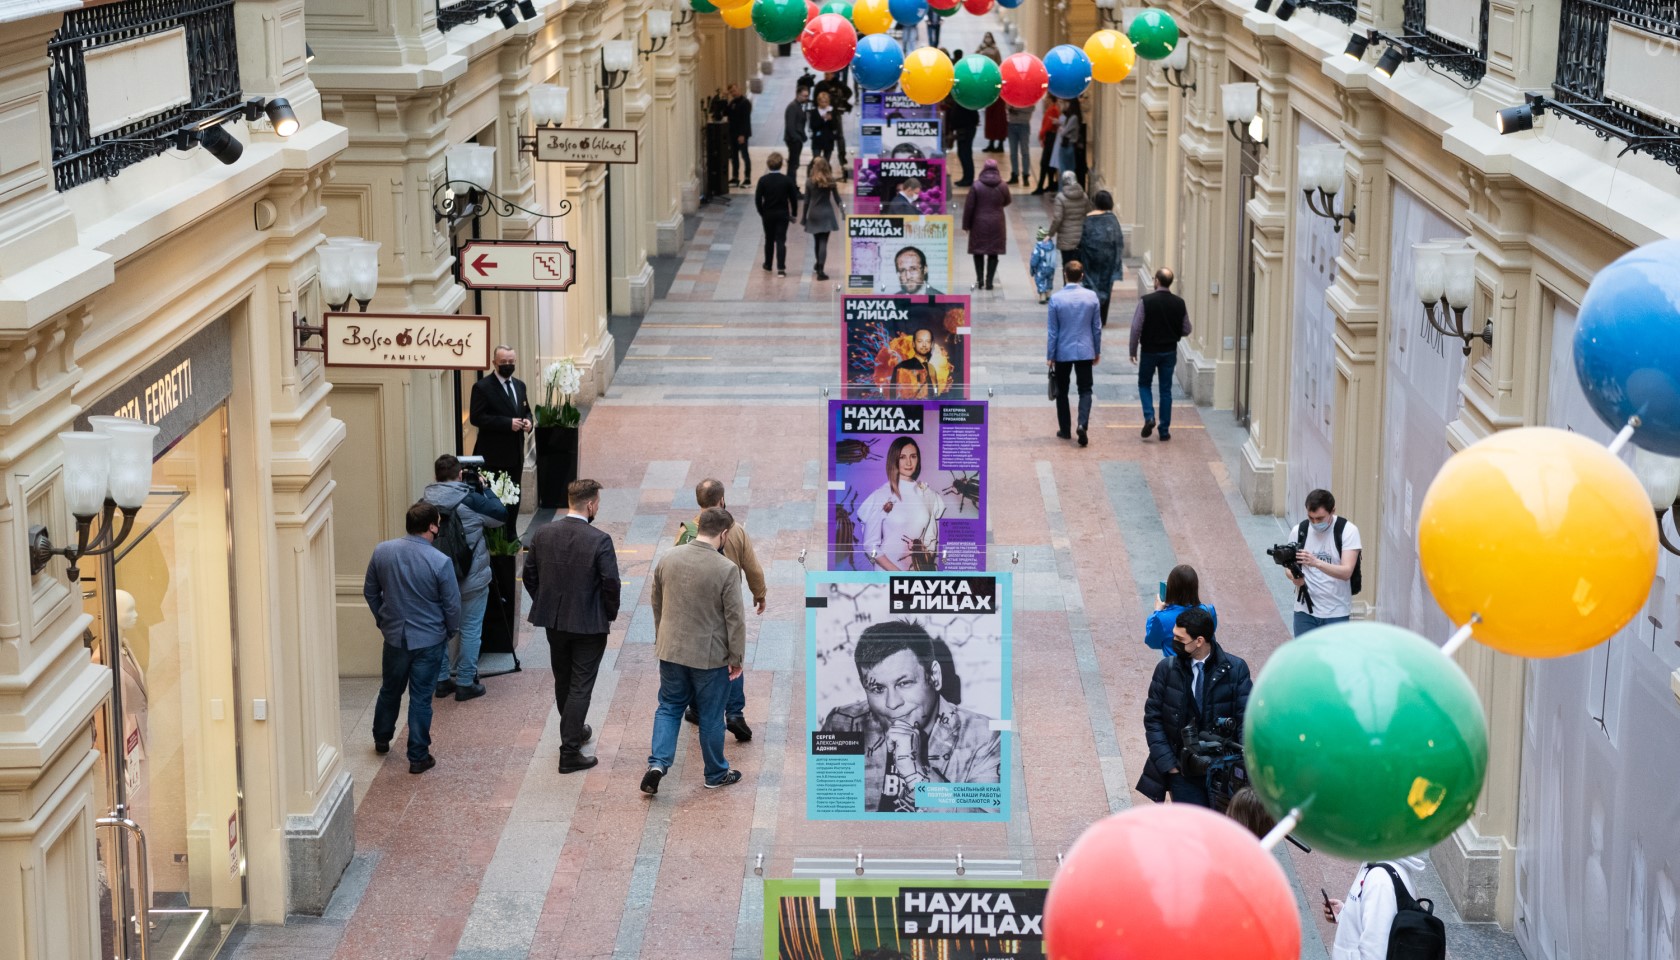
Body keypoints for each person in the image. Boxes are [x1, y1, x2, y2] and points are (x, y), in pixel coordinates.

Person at [820, 621, 1001, 812]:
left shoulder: (986, 737)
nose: (892, 703)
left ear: (935, 677)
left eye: (904, 683)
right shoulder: (842, 724)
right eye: (877, 688)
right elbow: (829, 814)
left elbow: (987, 829)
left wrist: (917, 775)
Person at [642, 506, 747, 795]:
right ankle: (715, 773)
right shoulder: (726, 569)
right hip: (709, 657)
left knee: (669, 706)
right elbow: (734, 619)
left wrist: (661, 637)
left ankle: (657, 764)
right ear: (723, 534)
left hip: (671, 651)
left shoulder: (668, 557)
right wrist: (736, 658)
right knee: (712, 716)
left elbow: (656, 602)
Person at [523, 479, 621, 773]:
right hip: (589, 625)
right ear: (590, 505)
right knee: (581, 685)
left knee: (563, 680)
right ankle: (569, 751)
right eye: (598, 504)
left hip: (555, 623)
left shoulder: (543, 533)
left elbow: (530, 575)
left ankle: (574, 730)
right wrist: (608, 613)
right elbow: (611, 583)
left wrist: (546, 602)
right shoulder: (599, 540)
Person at [365, 502, 462, 775]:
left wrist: (382, 619)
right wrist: (448, 631)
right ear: (432, 526)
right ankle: (418, 756)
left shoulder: (382, 551)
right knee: (421, 698)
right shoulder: (440, 562)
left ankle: (382, 737)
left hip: (395, 638)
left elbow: (370, 591)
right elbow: (452, 606)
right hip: (429, 641)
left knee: (390, 690)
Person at [1135, 607, 1253, 807]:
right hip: (1182, 773)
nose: (1174, 643)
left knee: (1220, 832)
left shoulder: (1235, 669)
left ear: (1199, 641)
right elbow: (1153, 718)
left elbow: (1247, 721)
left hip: (1222, 772)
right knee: (1191, 832)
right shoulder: (1167, 669)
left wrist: (1244, 766)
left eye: (1180, 639)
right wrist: (1169, 764)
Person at [678, 478, 765, 742]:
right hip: (727, 605)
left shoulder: (686, 531)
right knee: (732, 656)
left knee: (691, 658)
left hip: (694, 609)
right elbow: (752, 567)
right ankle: (735, 713)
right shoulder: (735, 530)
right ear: (722, 499)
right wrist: (759, 594)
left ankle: (696, 708)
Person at [422, 454, 508, 701]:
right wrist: (486, 490)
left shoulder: (424, 502)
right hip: (471, 578)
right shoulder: (469, 498)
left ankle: (440, 681)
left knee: (438, 630)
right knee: (470, 628)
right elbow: (499, 516)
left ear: (435, 477)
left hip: (434, 580)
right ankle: (465, 682)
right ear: (460, 475)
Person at [857, 436, 945, 571]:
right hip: (887, 575)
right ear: (894, 460)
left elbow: (931, 541)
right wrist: (898, 574)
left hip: (919, 575)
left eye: (913, 456)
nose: (909, 462)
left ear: (918, 459)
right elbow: (870, 546)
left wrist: (923, 572)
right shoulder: (881, 495)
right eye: (902, 457)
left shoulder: (929, 495)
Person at [1287, 488, 1363, 636]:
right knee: (1305, 658)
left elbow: (1346, 571)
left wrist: (1316, 562)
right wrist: (1294, 577)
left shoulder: (1348, 531)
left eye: (1320, 518)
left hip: (1336, 612)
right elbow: (1288, 567)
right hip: (1304, 611)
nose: (1315, 523)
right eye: (1311, 518)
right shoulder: (1299, 531)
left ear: (1332, 511)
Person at [1128, 267, 1191, 442]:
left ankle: (1149, 416)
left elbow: (1136, 328)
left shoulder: (1146, 301)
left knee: (1144, 384)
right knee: (1166, 390)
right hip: (1169, 351)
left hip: (1149, 350)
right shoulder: (1179, 303)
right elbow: (1187, 329)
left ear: (1156, 281)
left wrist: (1132, 350)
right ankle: (1164, 430)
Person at [469, 345, 531, 521]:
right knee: (495, 498)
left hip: (515, 454)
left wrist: (529, 423)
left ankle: (511, 534)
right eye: (503, 362)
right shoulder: (482, 387)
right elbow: (477, 417)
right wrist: (507, 423)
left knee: (514, 495)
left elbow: (526, 410)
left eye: (511, 362)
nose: (508, 365)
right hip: (493, 456)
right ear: (494, 363)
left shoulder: (520, 386)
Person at [1326, 857, 1431, 959]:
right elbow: (1382, 921)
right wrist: (1346, 913)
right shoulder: (1379, 867)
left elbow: (1375, 953)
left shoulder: (1380, 880)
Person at [1046, 260, 1102, 447]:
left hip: (1063, 351)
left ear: (1065, 275)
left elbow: (1053, 331)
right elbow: (1096, 327)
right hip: (1086, 350)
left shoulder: (1056, 299)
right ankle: (1082, 424)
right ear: (1082, 276)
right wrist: (1097, 349)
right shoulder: (1091, 297)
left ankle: (1065, 429)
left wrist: (1050, 354)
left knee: (1062, 391)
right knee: (1085, 389)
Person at [1145, 564, 1218, 659]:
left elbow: (1152, 642)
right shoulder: (1209, 611)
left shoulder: (1161, 618)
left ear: (1170, 588)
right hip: (1204, 666)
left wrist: (1157, 611)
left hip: (1176, 669)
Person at [1077, 189, 1125, 327]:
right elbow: (1118, 241)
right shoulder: (1112, 219)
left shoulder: (1088, 219)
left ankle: (1091, 316)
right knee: (1106, 287)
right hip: (1108, 261)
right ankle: (1102, 318)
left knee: (1090, 287)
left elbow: (1083, 240)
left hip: (1091, 259)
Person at [961, 159, 1011, 291]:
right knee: (993, 253)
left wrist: (966, 225)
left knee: (978, 251)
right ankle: (989, 282)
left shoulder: (976, 185)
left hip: (979, 222)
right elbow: (1007, 201)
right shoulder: (1003, 185)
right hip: (997, 222)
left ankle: (980, 280)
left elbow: (969, 207)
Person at [755, 152, 800, 277]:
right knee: (781, 240)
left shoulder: (763, 180)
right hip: (782, 214)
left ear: (768, 165)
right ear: (781, 165)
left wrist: (761, 212)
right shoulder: (787, 180)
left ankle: (768, 265)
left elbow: (758, 199)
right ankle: (781, 268)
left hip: (768, 214)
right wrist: (794, 213)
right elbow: (793, 198)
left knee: (769, 239)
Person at [801, 157, 844, 282]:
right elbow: (837, 199)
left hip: (814, 214)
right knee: (824, 242)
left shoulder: (809, 181)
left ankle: (818, 264)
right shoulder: (831, 181)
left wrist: (804, 217)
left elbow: (806, 201)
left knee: (817, 240)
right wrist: (843, 212)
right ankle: (821, 269)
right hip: (827, 214)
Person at [1048, 171, 1091, 283]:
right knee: (1080, 265)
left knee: (1067, 265)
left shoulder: (1060, 198)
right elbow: (1088, 215)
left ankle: (1067, 288)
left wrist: (1050, 234)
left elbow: (1057, 218)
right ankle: (1080, 288)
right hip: (1081, 237)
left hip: (1066, 238)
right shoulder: (1084, 196)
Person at [814, 72, 852, 179]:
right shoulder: (821, 85)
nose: (827, 76)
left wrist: (841, 102)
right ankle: (821, 163)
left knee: (839, 136)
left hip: (835, 114)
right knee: (825, 137)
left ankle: (842, 159)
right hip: (822, 115)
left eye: (829, 74)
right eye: (825, 74)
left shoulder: (838, 84)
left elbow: (848, 92)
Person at [976, 33, 1006, 152]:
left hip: (994, 81)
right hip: (986, 83)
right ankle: (991, 141)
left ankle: (1000, 143)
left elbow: (1000, 63)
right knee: (990, 117)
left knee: (999, 118)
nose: (987, 39)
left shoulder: (996, 50)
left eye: (989, 36)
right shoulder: (981, 48)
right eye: (986, 36)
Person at [892, 327, 938, 398]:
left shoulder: (931, 368)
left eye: (928, 341)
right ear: (913, 344)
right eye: (920, 341)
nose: (924, 345)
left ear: (931, 344)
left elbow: (935, 396)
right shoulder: (902, 367)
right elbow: (894, 397)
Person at [947, 97, 978, 187]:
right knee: (963, 153)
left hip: (966, 129)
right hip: (963, 129)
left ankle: (968, 178)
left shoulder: (965, 102)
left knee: (965, 154)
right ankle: (966, 177)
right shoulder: (962, 101)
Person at [1053, 97, 1085, 186]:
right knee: (1070, 170)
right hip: (1070, 145)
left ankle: (1063, 192)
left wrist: (1060, 128)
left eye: (1067, 103)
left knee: (1064, 170)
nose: (1066, 105)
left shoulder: (1073, 117)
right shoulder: (1073, 117)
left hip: (1067, 146)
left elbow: (1064, 132)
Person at [726, 83, 753, 186]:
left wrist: (742, 135)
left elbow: (745, 120)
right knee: (734, 156)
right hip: (732, 133)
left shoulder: (745, 103)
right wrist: (725, 99)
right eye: (731, 92)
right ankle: (735, 177)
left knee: (745, 156)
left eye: (734, 90)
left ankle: (747, 178)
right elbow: (726, 113)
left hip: (742, 134)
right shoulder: (732, 102)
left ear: (739, 89)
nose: (733, 93)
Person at [783, 86, 811, 184]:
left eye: (807, 96)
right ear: (798, 95)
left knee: (794, 164)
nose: (806, 98)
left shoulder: (799, 106)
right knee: (793, 165)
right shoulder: (792, 107)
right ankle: (792, 188)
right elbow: (790, 127)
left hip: (797, 140)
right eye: (804, 96)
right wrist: (798, 138)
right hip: (793, 141)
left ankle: (792, 187)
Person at [1033, 99, 1061, 194]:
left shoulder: (1052, 110)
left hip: (1050, 138)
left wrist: (1041, 135)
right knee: (1049, 163)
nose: (1044, 101)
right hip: (1052, 138)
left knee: (1044, 163)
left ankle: (1041, 186)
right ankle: (1050, 184)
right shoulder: (1054, 109)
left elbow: (1047, 126)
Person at [1005, 101, 1034, 185]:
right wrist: (1019, 107)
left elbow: (1031, 108)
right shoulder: (1012, 96)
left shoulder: (1029, 97)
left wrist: (1016, 107)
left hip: (1024, 125)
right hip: (1012, 124)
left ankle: (1025, 175)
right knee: (1013, 153)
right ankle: (1014, 174)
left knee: (1025, 152)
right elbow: (1007, 106)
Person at [1030, 226, 1058, 304]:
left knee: (1040, 280)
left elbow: (1035, 258)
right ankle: (1048, 294)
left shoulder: (1038, 246)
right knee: (1049, 280)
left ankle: (1042, 295)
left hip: (1041, 268)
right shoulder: (1052, 245)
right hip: (1051, 267)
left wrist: (1033, 265)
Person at [811, 89, 838, 164]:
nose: (824, 104)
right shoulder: (814, 112)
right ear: (818, 101)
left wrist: (831, 119)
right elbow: (812, 126)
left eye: (826, 102)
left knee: (826, 162)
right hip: (817, 140)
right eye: (822, 102)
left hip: (828, 140)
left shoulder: (832, 111)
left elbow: (835, 126)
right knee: (816, 162)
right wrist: (822, 119)